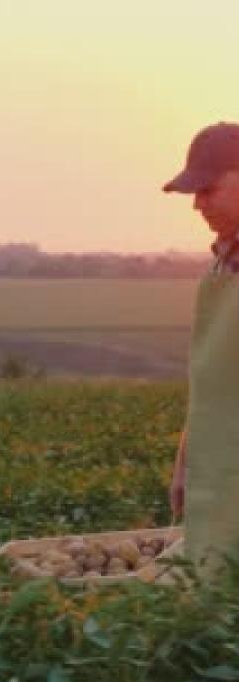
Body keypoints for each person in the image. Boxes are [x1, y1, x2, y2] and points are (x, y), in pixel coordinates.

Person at [165, 122, 239, 578]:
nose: (198, 204)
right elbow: (211, 384)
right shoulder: (222, 261)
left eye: (208, 189)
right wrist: (185, 463)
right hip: (219, 473)